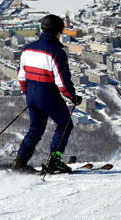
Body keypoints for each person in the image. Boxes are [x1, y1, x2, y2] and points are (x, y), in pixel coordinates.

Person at [12, 14, 81, 174]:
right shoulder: (56, 52)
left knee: (35, 129)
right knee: (65, 125)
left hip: (31, 93)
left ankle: (19, 164)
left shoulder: (27, 49)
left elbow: (21, 76)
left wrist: (28, 93)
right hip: (47, 93)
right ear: (58, 31)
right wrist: (73, 97)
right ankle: (53, 162)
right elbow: (62, 82)